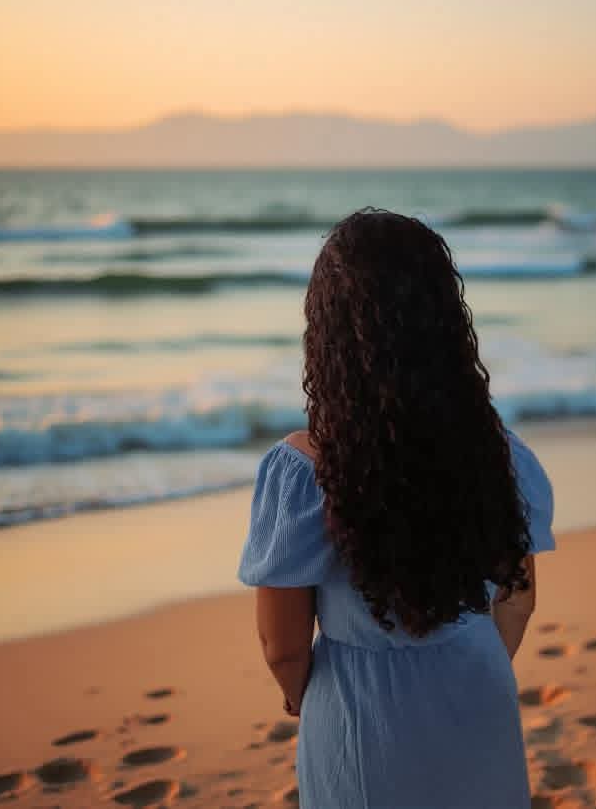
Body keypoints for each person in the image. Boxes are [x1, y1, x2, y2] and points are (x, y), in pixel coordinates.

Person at [237, 207, 555, 808]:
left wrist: (305, 696)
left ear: (328, 334)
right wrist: (461, 659)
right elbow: (519, 598)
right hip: (477, 689)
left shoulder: (306, 473)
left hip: (360, 716)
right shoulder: (499, 457)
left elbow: (282, 646)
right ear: (444, 324)